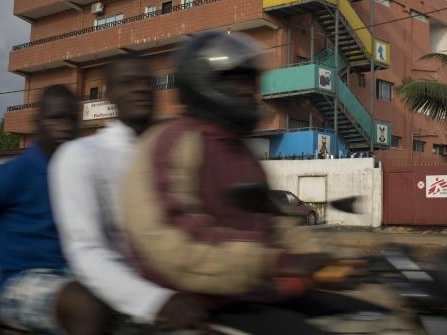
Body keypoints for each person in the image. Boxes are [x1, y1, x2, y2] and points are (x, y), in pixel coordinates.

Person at [119, 31, 370, 334]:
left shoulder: (243, 153)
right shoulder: (171, 142)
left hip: (255, 293)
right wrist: (273, 263)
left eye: (249, 83)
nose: (246, 91)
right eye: (235, 81)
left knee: (374, 318)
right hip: (199, 305)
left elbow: (275, 224)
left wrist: (320, 256)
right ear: (202, 82)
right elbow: (171, 239)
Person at [49, 54, 203, 331]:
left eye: (147, 82)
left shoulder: (176, 152)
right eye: (128, 83)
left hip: (187, 291)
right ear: (110, 95)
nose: (142, 89)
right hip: (125, 303)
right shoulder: (81, 155)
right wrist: (153, 301)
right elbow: (86, 251)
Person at [0, 85, 107, 335]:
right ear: (38, 124)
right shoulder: (12, 174)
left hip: (75, 277)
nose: (65, 127)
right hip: (18, 286)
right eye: (55, 118)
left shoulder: (83, 173)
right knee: (85, 305)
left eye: (72, 119)